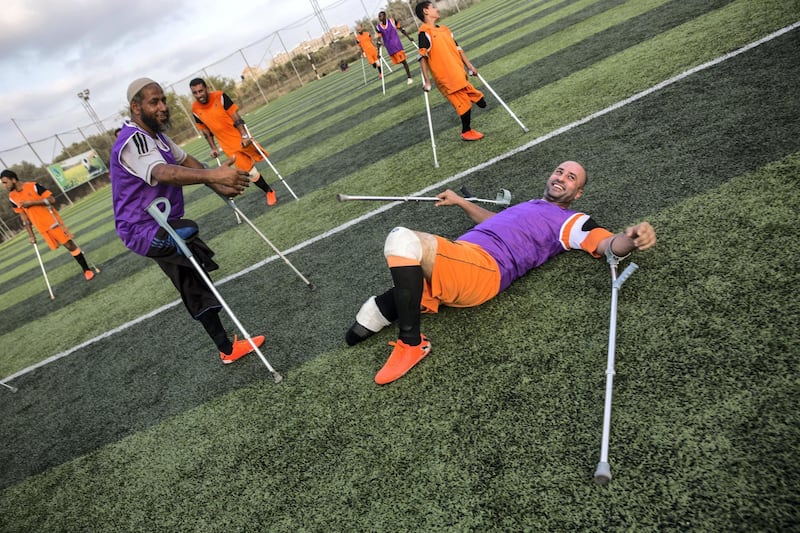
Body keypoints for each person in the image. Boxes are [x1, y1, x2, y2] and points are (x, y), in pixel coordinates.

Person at [346, 161, 657, 385]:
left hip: (484, 269)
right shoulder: (530, 206)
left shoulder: (572, 221)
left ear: (578, 193)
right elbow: (495, 220)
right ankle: (403, 304)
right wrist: (460, 202)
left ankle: (412, 343)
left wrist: (630, 238)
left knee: (401, 237)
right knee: (361, 326)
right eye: (559, 171)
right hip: (461, 257)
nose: (562, 177)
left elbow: (605, 245)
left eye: (571, 177)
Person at [110, 77, 264, 365]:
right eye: (154, 102)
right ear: (135, 107)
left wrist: (214, 181)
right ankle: (227, 349)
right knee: (190, 270)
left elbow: (184, 160)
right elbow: (164, 173)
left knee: (193, 268)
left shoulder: (157, 136)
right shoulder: (132, 141)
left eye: (163, 100)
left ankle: (226, 346)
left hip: (161, 221)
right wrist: (212, 177)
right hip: (143, 229)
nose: (162, 107)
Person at [189, 78, 278, 206]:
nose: (199, 95)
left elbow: (236, 117)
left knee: (260, 156)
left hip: (241, 137)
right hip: (227, 146)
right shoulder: (195, 109)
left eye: (201, 91)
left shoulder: (220, 96)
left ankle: (271, 186)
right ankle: (269, 191)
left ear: (206, 89)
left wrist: (244, 135)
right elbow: (206, 131)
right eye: (195, 93)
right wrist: (213, 148)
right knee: (250, 171)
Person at [1, 169, 97, 281]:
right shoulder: (12, 197)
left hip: (52, 221)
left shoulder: (33, 186)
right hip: (41, 227)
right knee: (63, 246)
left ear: (13, 180)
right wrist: (31, 235)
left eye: (5, 182)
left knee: (69, 245)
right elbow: (23, 216)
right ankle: (84, 264)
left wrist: (32, 203)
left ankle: (87, 270)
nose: (4, 185)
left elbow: (51, 200)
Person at [415, 1, 487, 141]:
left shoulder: (445, 30)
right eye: (433, 7)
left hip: (458, 73)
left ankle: (474, 100)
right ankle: (466, 132)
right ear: (426, 11)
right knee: (464, 105)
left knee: (481, 101)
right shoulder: (425, 33)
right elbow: (422, 57)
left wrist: (470, 66)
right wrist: (427, 81)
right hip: (446, 79)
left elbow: (459, 49)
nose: (436, 9)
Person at [375, 11, 415, 85]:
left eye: (381, 16)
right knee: (399, 62)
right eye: (379, 16)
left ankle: (409, 77)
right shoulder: (378, 27)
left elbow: (401, 29)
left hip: (397, 45)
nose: (380, 18)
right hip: (390, 48)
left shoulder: (392, 21)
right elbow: (379, 39)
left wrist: (409, 37)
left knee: (404, 61)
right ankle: (409, 76)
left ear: (385, 16)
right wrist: (378, 52)